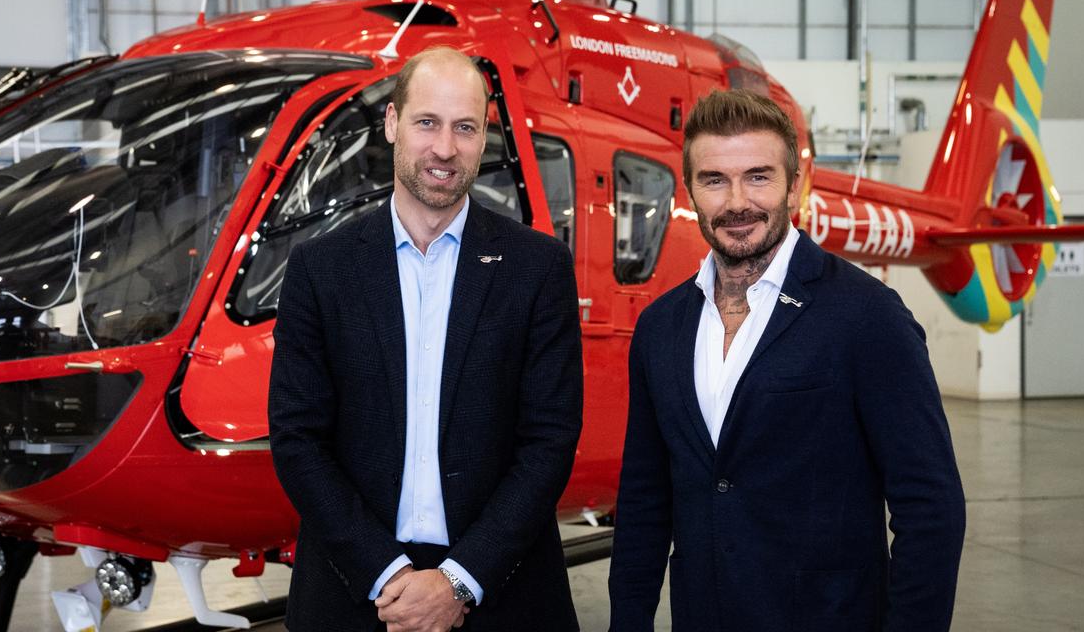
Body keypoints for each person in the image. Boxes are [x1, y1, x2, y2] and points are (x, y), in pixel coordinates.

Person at [608, 89, 965, 631]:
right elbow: (643, 501)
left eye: (758, 176)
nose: (736, 203)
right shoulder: (661, 327)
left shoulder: (867, 316)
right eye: (714, 180)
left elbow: (931, 507)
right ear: (690, 191)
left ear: (793, 186)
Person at [269, 46, 583, 632]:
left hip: (502, 594)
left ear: (485, 135)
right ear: (391, 123)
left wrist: (460, 581)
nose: (445, 148)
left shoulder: (537, 267)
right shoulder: (321, 268)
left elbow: (550, 441)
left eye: (465, 127)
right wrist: (386, 574)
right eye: (426, 123)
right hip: (353, 595)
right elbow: (296, 439)